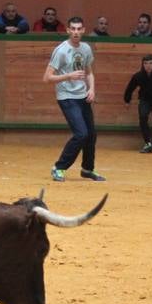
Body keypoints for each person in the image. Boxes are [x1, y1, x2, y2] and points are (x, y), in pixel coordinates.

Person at [45, 17, 106, 183]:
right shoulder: (61, 50)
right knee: (81, 134)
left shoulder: (86, 49)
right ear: (68, 30)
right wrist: (68, 76)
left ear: (84, 30)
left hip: (82, 96)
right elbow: (47, 77)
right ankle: (59, 167)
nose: (76, 32)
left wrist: (91, 89)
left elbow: (89, 72)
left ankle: (87, 169)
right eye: (73, 28)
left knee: (91, 135)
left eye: (79, 29)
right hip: (67, 97)